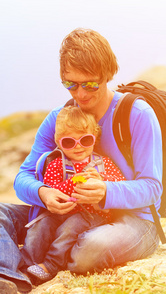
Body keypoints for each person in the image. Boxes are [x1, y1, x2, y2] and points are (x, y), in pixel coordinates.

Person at [0, 28, 162, 294]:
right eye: (71, 84)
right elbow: (23, 178)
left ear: (108, 75)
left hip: (132, 221)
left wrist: (106, 192)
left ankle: (22, 262)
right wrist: (43, 193)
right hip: (59, 215)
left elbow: (153, 189)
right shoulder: (59, 119)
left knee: (90, 247)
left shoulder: (137, 115)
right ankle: (0, 278)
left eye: (90, 84)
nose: (81, 94)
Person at [22, 105, 126, 283]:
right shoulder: (56, 164)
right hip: (63, 211)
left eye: (85, 140)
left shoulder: (103, 163)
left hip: (94, 214)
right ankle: (27, 266)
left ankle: (51, 266)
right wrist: (72, 182)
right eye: (69, 142)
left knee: (70, 228)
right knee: (40, 225)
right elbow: (52, 189)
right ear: (58, 142)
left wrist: (102, 179)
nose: (78, 147)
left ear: (95, 138)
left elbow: (121, 184)